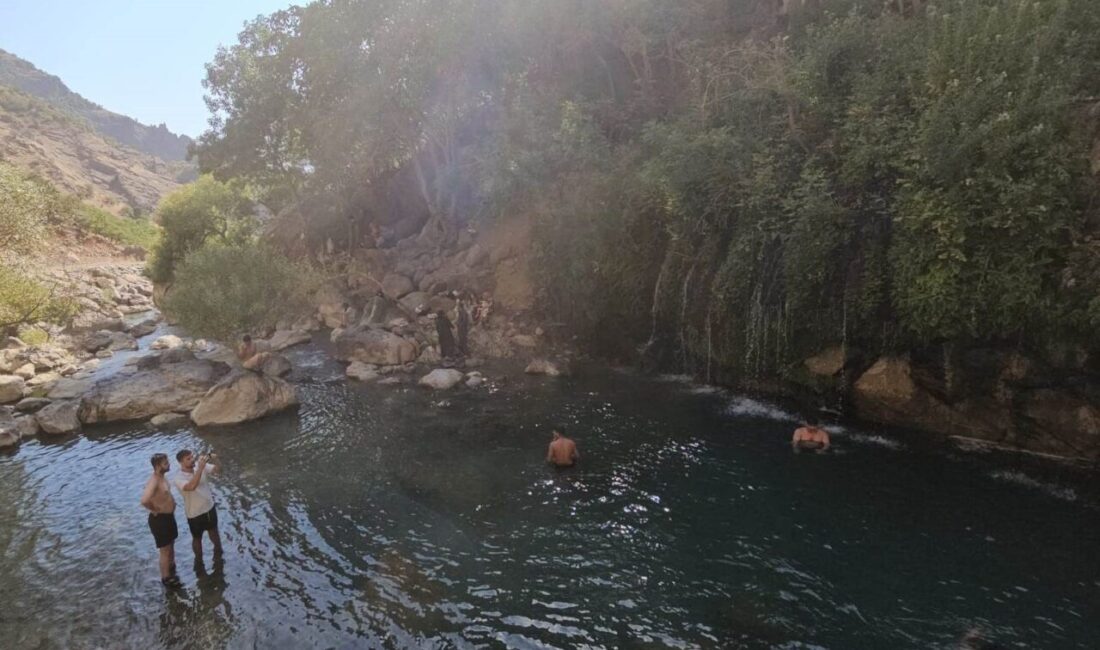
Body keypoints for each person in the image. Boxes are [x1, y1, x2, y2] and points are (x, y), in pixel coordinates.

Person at [171, 449, 223, 564]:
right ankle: (199, 560)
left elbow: (217, 470)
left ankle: (219, 552)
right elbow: (191, 486)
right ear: (181, 462)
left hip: (209, 507)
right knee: (197, 538)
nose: (192, 460)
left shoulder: (200, 466)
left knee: (214, 532)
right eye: (188, 459)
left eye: (192, 457)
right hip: (194, 514)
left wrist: (216, 459)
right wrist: (200, 468)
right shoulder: (178, 478)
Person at [140, 453, 180, 588]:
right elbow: (144, 500)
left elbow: (166, 494)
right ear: (157, 466)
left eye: (167, 461)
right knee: (165, 550)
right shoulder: (154, 481)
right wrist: (154, 509)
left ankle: (171, 567)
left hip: (168, 517)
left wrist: (173, 503)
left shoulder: (162, 477)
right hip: (159, 520)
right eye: (165, 463)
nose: (169, 464)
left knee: (171, 544)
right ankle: (166, 577)